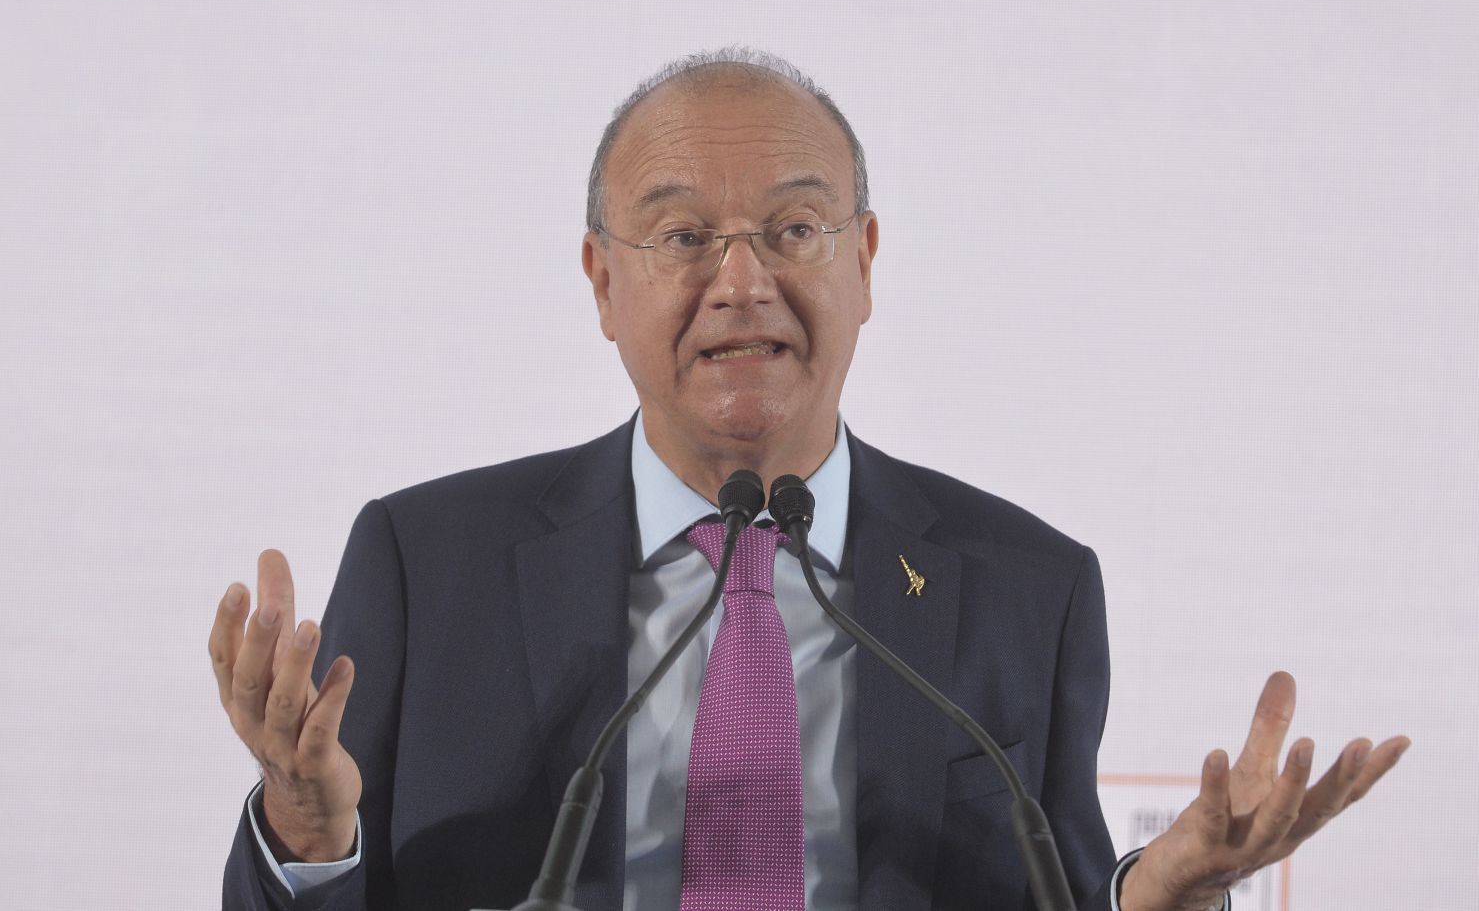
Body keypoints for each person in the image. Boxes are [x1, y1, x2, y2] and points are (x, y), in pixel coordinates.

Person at [209, 49, 1409, 911]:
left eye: (794, 229)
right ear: (601, 281)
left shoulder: (1028, 587)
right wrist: (307, 835)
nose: (742, 283)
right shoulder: (430, 564)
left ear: (865, 261)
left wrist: (1159, 897)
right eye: (684, 237)